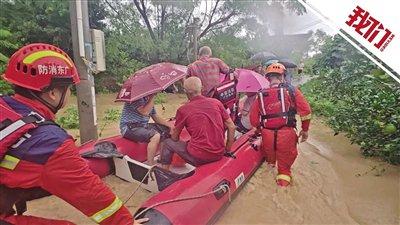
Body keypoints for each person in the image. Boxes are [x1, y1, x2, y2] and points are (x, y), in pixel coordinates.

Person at [0, 43, 147, 225]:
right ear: (53, 93)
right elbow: (89, 192)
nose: (70, 93)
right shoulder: (49, 142)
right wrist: (126, 223)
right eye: (69, 88)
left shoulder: (5, 106)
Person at [250, 63, 312, 187]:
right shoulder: (292, 91)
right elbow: (306, 112)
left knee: (270, 164)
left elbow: (254, 119)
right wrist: (305, 130)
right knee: (284, 171)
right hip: (286, 136)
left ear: (267, 78)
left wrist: (258, 131)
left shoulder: (261, 94)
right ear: (283, 76)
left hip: (267, 136)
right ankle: (283, 191)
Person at [160, 77, 236, 170]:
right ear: (202, 88)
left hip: (198, 157)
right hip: (218, 154)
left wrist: (171, 134)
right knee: (192, 143)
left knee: (168, 143)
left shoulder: (183, 110)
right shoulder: (216, 103)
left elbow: (175, 138)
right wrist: (227, 149)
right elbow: (231, 126)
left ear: (185, 91)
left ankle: (164, 173)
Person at [120, 93, 172, 165]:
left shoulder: (147, 99)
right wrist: (152, 97)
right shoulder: (135, 98)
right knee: (155, 136)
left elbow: (155, 117)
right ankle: (150, 164)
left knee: (165, 131)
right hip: (129, 127)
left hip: (143, 126)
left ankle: (162, 159)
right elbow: (145, 112)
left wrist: (170, 126)